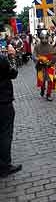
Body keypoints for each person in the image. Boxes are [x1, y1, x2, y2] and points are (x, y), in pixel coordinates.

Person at [0, 45, 22, 177]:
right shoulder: (1, 59)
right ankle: (4, 166)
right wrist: (12, 56)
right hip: (2, 102)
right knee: (5, 134)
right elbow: (13, 73)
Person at [33, 30, 55, 101]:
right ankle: (42, 89)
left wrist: (51, 61)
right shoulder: (37, 46)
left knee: (50, 80)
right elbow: (34, 55)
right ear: (40, 38)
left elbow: (54, 56)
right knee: (42, 80)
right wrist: (39, 59)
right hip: (40, 65)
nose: (44, 39)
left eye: (46, 37)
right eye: (43, 38)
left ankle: (48, 94)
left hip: (49, 65)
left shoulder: (51, 46)